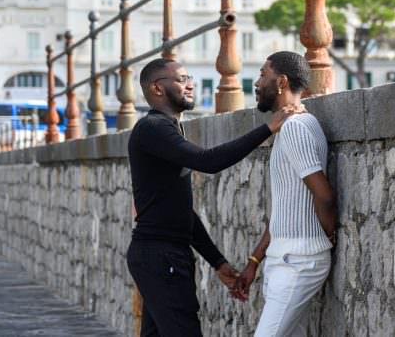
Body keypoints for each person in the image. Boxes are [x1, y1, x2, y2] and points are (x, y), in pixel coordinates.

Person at [126, 57, 301, 337]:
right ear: (157, 89)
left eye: (189, 79)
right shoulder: (153, 129)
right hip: (160, 257)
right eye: (182, 79)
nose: (190, 85)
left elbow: (180, 212)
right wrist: (268, 128)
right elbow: (208, 161)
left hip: (160, 255)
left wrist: (218, 263)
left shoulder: (165, 129)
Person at [233, 51, 337, 337]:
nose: (257, 82)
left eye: (263, 74)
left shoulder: (296, 128)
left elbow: (324, 196)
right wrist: (254, 261)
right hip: (284, 258)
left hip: (299, 261)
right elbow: (286, 208)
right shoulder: (286, 128)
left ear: (280, 82)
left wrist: (324, 239)